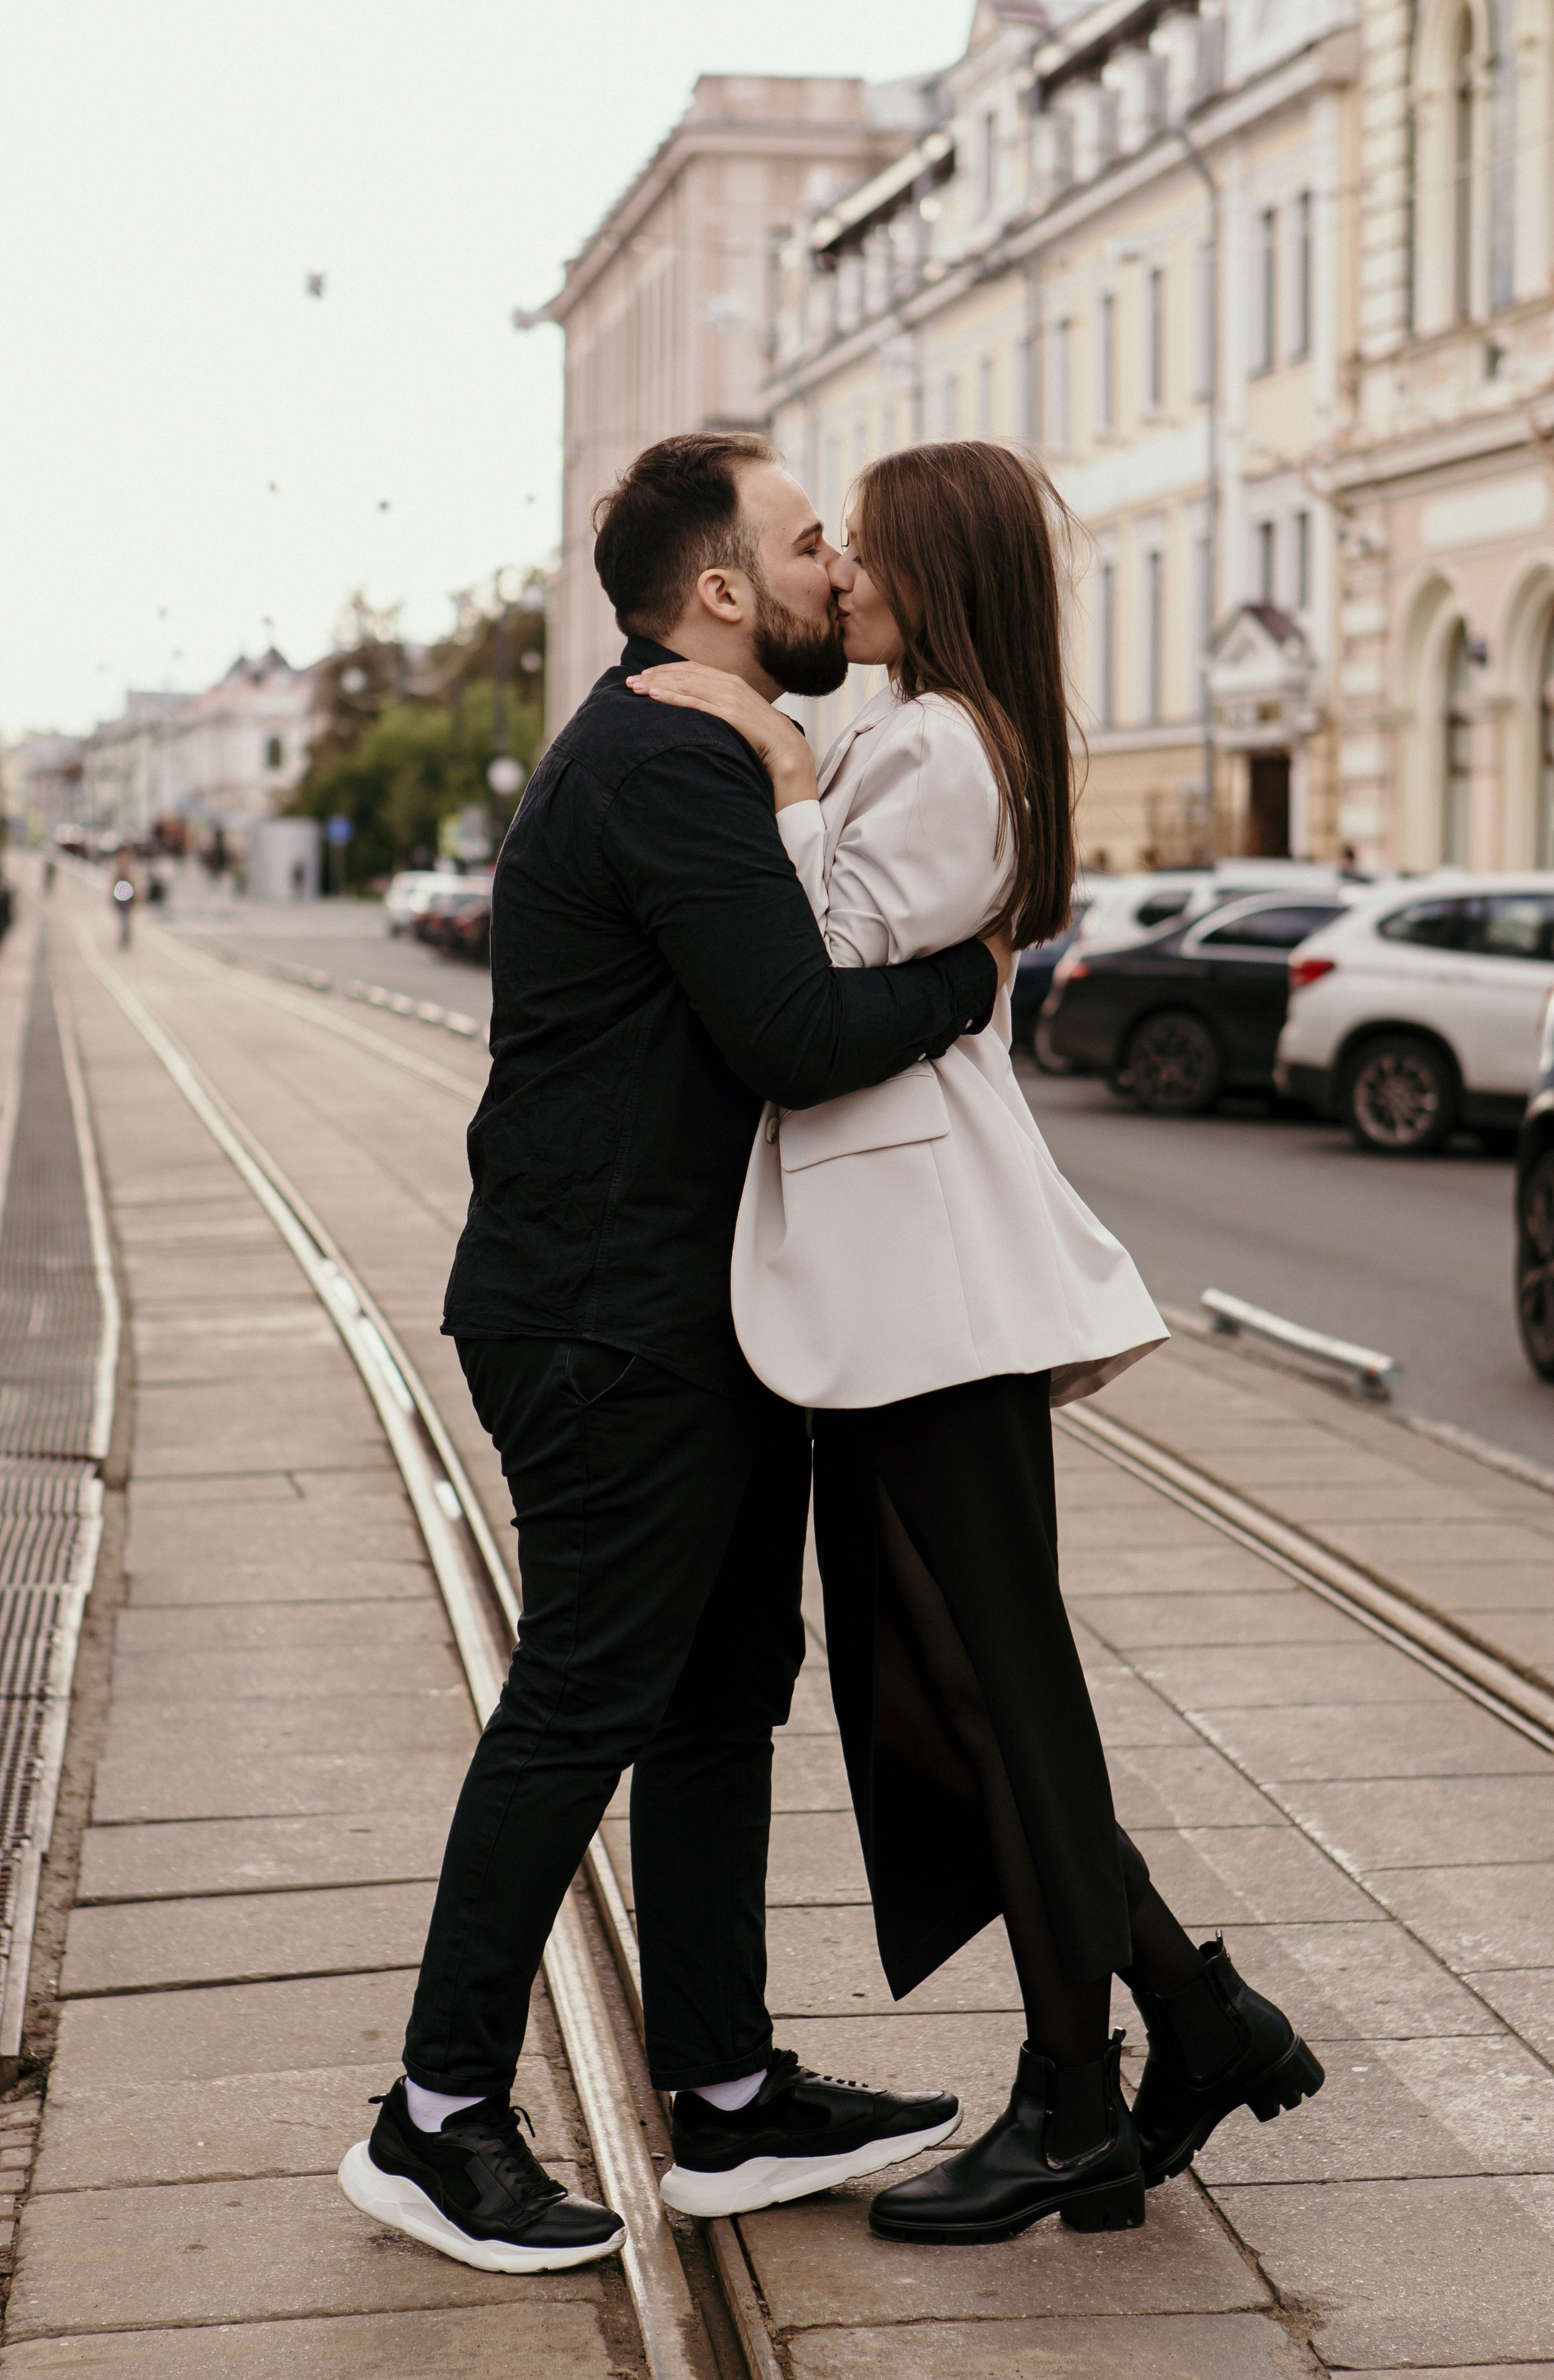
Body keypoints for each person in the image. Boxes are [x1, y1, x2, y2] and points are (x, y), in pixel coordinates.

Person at [628, 440, 1324, 2247]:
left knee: (1005, 1697)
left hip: (927, 1297)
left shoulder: (940, 747)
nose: (836, 571)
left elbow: (826, 960)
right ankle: (1183, 2019)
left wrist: (778, 771)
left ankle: (1075, 2100)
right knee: (963, 1695)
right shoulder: (930, 733)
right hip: (888, 1304)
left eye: (859, 546)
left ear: (929, 572)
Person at [338, 432, 1006, 2275]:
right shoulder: (666, 756)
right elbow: (795, 1027)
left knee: (722, 1692)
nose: (837, 574)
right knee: (590, 1695)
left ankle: (721, 2099)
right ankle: (437, 2117)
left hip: (682, 1314)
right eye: (808, 547)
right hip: (604, 1317)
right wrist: (972, 981)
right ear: (722, 592)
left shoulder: (693, 748)